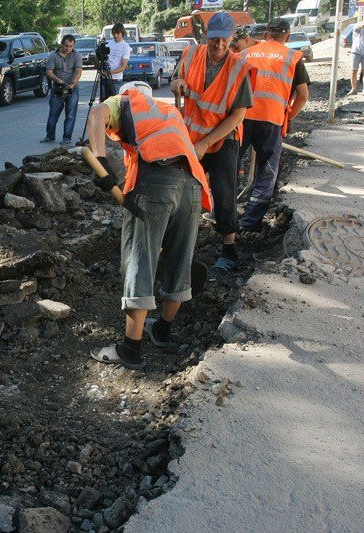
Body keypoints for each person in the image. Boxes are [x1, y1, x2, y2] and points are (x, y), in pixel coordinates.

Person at [87, 81, 212, 370]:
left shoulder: (126, 101)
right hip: (192, 187)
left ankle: (130, 350)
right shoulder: (168, 111)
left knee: (139, 262)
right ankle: (162, 331)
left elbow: (96, 113)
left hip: (155, 186)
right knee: (180, 261)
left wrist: (101, 161)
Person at [170, 12, 255, 273]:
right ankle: (175, 242)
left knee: (224, 192)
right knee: (183, 189)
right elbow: (174, 81)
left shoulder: (239, 67)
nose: (219, 46)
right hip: (191, 136)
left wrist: (206, 143)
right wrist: (177, 83)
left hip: (222, 138)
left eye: (224, 41)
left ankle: (229, 247)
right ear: (206, 36)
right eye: (215, 40)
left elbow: (238, 115)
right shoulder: (191, 55)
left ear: (232, 38)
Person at [237, 18, 309, 232]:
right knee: (267, 170)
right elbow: (303, 96)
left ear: (266, 35)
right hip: (271, 120)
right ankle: (250, 221)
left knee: (230, 164)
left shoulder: (245, 54)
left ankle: (223, 215)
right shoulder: (292, 57)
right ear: (287, 37)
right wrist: (288, 116)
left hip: (240, 117)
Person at [42, 34, 83, 145]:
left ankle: (67, 137)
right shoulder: (53, 56)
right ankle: (50, 136)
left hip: (72, 88)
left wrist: (72, 84)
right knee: (53, 114)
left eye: (71, 46)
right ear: (62, 44)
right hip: (57, 87)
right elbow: (49, 72)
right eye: (66, 46)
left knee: (70, 114)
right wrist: (60, 81)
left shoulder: (77, 55)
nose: (68, 49)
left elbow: (78, 71)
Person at [106, 23, 132, 95]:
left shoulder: (125, 47)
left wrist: (109, 72)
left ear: (122, 33)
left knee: (115, 102)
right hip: (105, 79)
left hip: (116, 79)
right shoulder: (108, 44)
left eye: (117, 33)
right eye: (114, 33)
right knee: (104, 102)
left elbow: (123, 66)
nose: (115, 35)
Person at [349, 21, 364, 96]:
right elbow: (358, 27)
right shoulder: (358, 25)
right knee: (353, 70)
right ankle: (353, 89)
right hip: (356, 51)